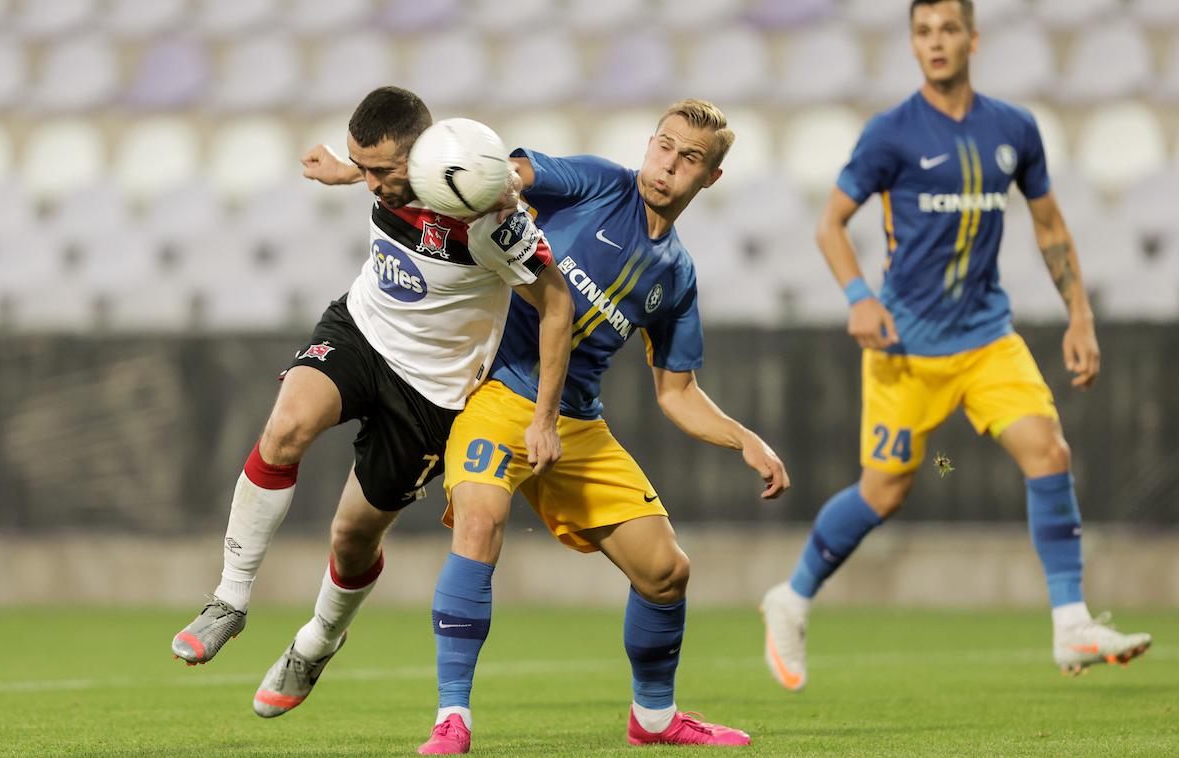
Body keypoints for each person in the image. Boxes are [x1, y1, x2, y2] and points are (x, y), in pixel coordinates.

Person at [308, 98, 791, 753]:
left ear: (710, 179)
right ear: (649, 143)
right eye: (665, 147)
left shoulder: (673, 276)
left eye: (690, 160)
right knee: (479, 523)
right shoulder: (596, 182)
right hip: (496, 395)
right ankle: (452, 718)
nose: (668, 166)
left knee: (667, 573)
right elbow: (497, 174)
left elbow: (676, 392)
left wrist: (746, 439)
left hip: (575, 424)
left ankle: (654, 718)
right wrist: (370, 176)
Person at [759, 0, 1151, 694]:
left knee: (1049, 450)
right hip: (904, 345)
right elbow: (830, 225)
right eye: (922, 32)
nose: (935, 43)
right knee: (884, 491)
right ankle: (790, 599)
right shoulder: (890, 134)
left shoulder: (1014, 128)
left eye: (947, 30)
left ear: (974, 38)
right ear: (913, 45)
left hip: (987, 336)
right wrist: (859, 298)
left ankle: (1071, 623)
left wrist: (1080, 314)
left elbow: (1051, 223)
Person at [169, 87, 575, 713]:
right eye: (363, 167)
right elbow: (369, 176)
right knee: (285, 429)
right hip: (361, 330)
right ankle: (229, 599)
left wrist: (545, 416)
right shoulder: (382, 179)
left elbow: (556, 305)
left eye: (380, 171)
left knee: (352, 538)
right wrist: (345, 172)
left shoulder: (487, 217)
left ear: (424, 156)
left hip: (431, 394)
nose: (371, 184)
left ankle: (317, 641)